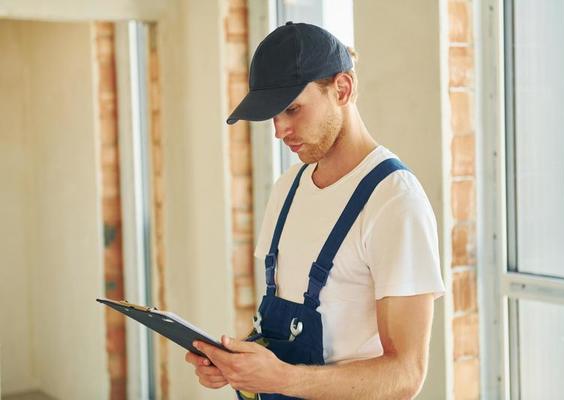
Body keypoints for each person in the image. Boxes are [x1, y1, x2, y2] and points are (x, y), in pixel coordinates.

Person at [185, 21, 445, 399]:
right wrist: (238, 364)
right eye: (273, 115)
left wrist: (282, 379)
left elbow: (406, 375)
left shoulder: (395, 202)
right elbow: (285, 337)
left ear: (343, 89)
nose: (279, 131)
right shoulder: (287, 188)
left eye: (292, 109)